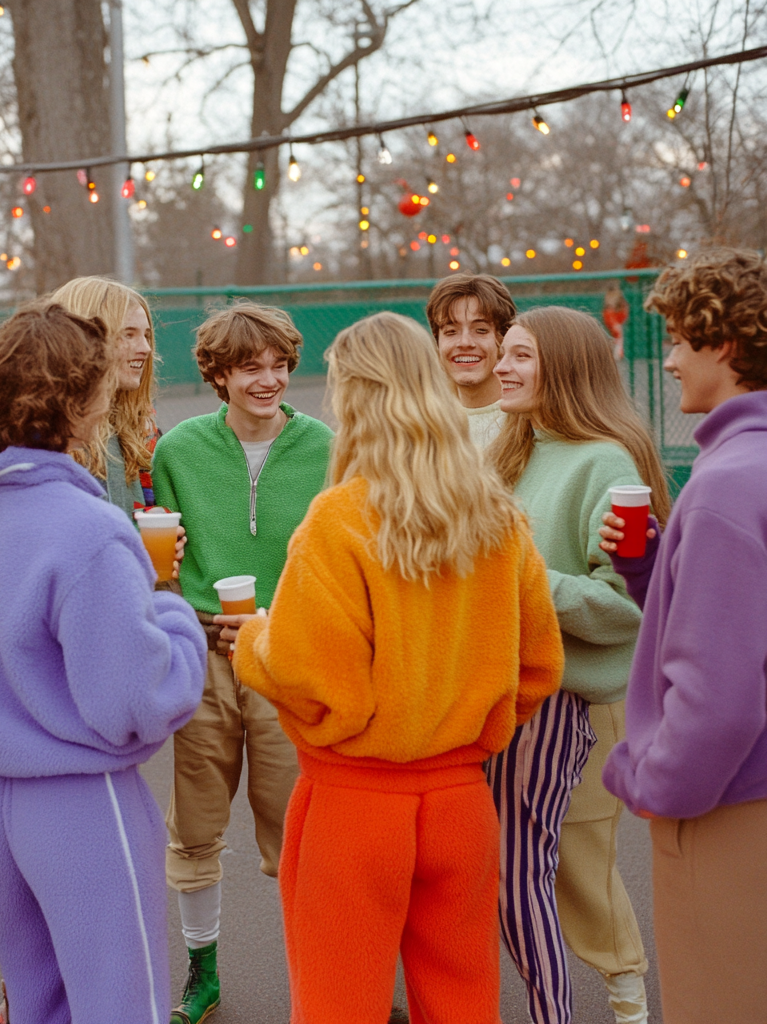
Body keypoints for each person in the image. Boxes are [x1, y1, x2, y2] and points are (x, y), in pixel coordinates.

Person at [231, 311, 563, 1024]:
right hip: (459, 803)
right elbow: (537, 665)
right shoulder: (501, 519)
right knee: (464, 1002)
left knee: (337, 1004)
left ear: (353, 399)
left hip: (353, 805)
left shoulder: (338, 519)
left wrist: (252, 640)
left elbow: (309, 676)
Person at [0, 302, 206, 1024]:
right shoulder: (87, 527)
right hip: (85, 798)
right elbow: (135, 700)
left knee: (38, 1002)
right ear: (75, 400)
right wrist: (171, 612)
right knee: (121, 1004)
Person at [151, 303, 333, 1024]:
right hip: (203, 657)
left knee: (301, 829)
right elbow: (163, 557)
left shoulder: (326, 445)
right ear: (219, 375)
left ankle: (328, 973)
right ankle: (203, 972)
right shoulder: (180, 451)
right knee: (195, 826)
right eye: (251, 367)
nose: (269, 379)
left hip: (289, 655)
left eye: (280, 365)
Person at [489, 306, 671, 1024]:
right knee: (532, 863)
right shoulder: (517, 447)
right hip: (512, 692)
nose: (502, 366)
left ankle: (626, 997)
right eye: (505, 353)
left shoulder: (606, 461)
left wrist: (519, 576)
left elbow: (626, 604)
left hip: (578, 700)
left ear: (563, 367)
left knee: (579, 865)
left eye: (520, 355)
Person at [599, 248, 767, 1024]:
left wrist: (650, 782)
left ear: (724, 345)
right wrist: (652, 568)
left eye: (678, 339)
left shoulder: (727, 486)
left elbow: (719, 701)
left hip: (728, 811)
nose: (667, 359)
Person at [50, 276, 159, 514]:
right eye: (128, 334)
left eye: (146, 335)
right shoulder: (44, 441)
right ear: (85, 338)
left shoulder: (141, 432)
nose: (146, 348)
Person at [426, 272, 516, 447]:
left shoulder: (529, 422)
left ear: (503, 338)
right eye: (451, 331)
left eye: (481, 330)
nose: (465, 343)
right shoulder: (427, 426)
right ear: (437, 342)